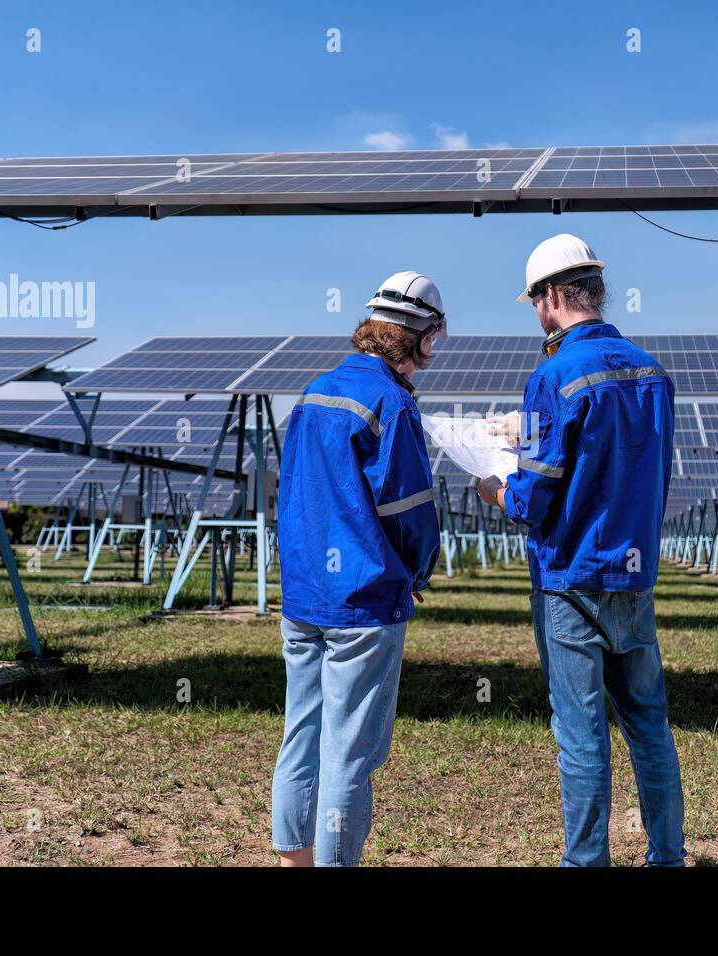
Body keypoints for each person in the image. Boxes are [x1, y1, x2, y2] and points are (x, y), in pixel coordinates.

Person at [476, 234, 686, 867]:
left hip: (570, 578)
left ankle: (587, 862)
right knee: (648, 725)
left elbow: (536, 495)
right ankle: (667, 858)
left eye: (535, 300)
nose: (535, 313)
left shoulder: (554, 374)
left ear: (555, 296)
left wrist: (497, 490)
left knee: (582, 737)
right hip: (634, 573)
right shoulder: (652, 371)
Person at [272, 272, 444, 867]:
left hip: (304, 597)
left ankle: (295, 859)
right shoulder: (392, 403)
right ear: (421, 337)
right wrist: (416, 573)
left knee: (303, 735)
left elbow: (292, 495)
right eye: (435, 339)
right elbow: (409, 511)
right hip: (364, 602)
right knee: (349, 753)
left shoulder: (313, 393)